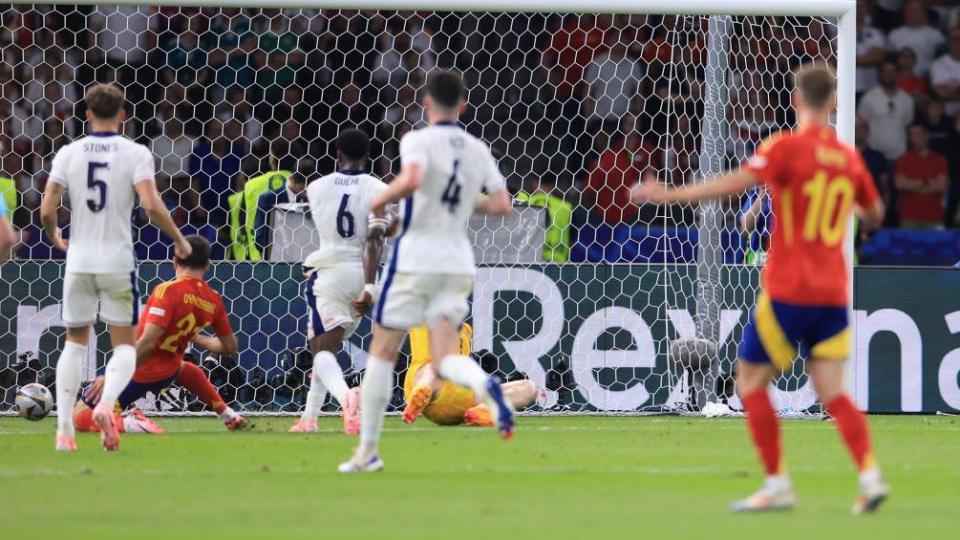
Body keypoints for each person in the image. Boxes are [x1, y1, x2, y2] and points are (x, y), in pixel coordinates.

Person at [632, 64, 889, 514]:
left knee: (749, 381)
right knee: (833, 391)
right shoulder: (848, 158)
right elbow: (876, 214)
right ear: (834, 102)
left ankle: (776, 484)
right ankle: (869, 476)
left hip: (789, 290)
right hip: (832, 292)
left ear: (794, 100)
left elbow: (732, 184)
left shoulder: (784, 148)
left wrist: (668, 195)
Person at [338, 70, 514, 473]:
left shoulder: (416, 140)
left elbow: (413, 179)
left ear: (427, 104)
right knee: (443, 356)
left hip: (416, 259)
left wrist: (380, 198)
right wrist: (465, 202)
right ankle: (487, 388)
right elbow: (502, 205)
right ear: (463, 105)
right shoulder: (476, 147)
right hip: (456, 261)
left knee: (383, 351)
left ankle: (368, 452)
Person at [41, 83, 191, 452]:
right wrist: (179, 239)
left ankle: (64, 432)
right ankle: (107, 406)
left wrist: (56, 236)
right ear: (123, 114)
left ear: (87, 114)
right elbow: (152, 207)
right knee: (123, 345)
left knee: (74, 343)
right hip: (117, 260)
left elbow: (47, 209)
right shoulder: (135, 152)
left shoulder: (68, 153)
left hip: (79, 259)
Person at [73, 235, 248, 435]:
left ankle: (131, 424)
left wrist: (112, 375)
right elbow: (229, 347)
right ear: (208, 265)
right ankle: (228, 414)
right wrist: (199, 338)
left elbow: (148, 342)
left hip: (139, 372)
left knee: (78, 417)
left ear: (174, 261)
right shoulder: (213, 299)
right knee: (186, 368)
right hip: (169, 370)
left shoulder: (167, 291)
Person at [288, 128, 388, 435]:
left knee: (321, 351)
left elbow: (294, 186)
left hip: (330, 272)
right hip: (363, 273)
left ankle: (346, 397)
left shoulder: (317, 186)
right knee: (325, 347)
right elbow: (375, 239)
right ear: (368, 156)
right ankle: (309, 419)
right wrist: (370, 286)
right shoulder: (378, 188)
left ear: (337, 154)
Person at [403, 323, 538, 427]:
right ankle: (486, 409)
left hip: (445, 388)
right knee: (433, 368)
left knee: (529, 386)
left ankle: (422, 390)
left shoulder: (460, 330)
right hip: (457, 397)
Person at [895, 123, 949, 228]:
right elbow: (900, 184)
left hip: (934, 218)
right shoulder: (903, 159)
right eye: (911, 135)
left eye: (917, 135)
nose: (913, 139)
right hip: (909, 218)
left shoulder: (940, 160)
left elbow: (941, 186)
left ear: (927, 136)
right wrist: (927, 182)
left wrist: (911, 185)